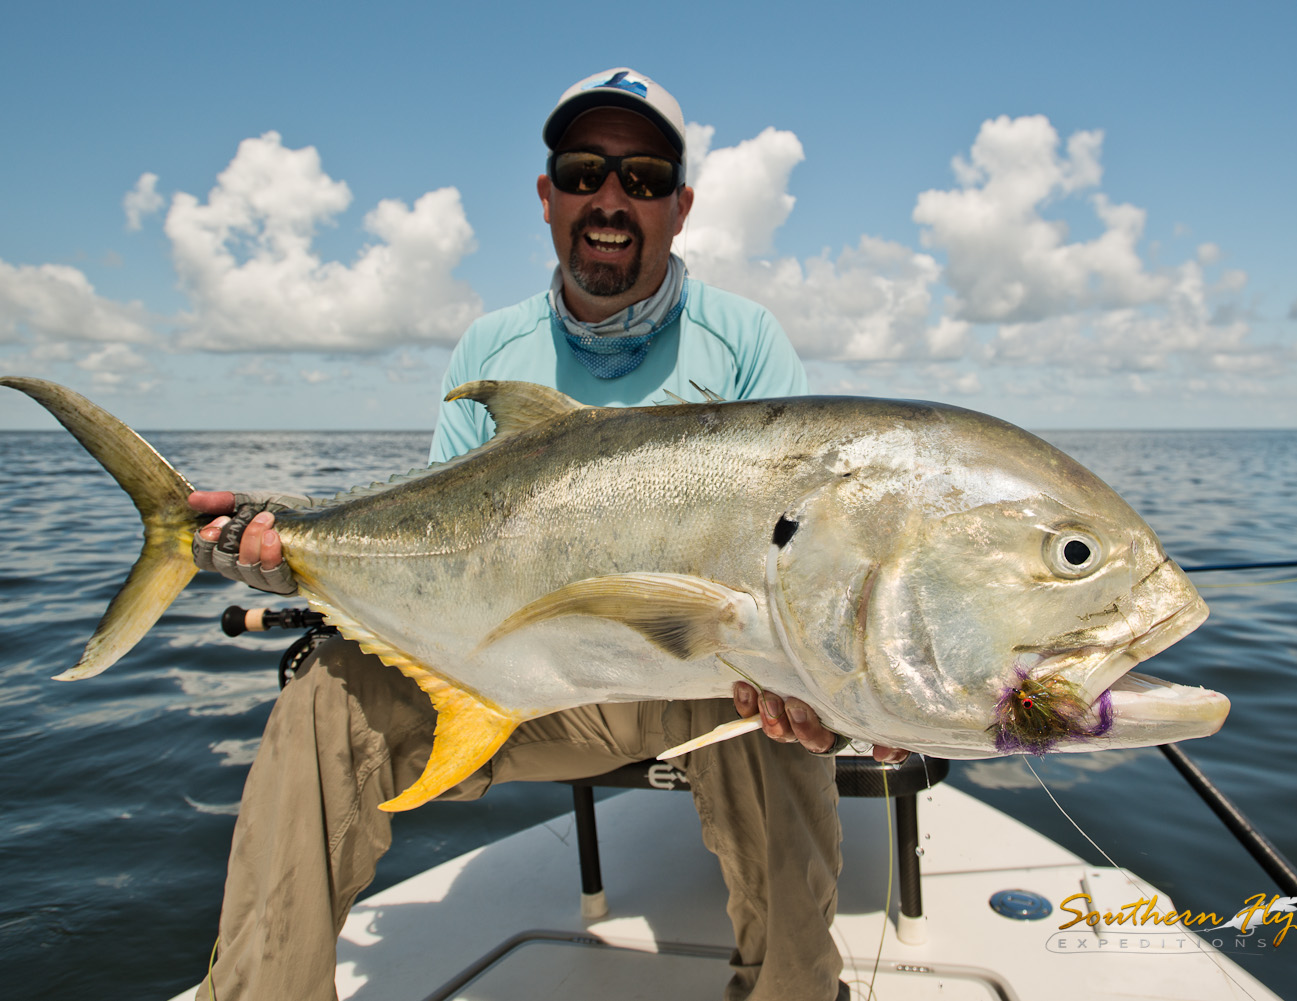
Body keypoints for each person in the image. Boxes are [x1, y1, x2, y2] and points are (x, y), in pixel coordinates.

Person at [189, 68, 902, 1001]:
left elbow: (798, 555)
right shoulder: (491, 350)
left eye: (643, 177)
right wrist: (298, 562)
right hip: (521, 685)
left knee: (775, 704)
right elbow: (429, 541)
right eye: (582, 171)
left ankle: (793, 989)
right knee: (323, 701)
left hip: (694, 682)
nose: (610, 199)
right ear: (546, 195)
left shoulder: (745, 340)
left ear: (680, 207)